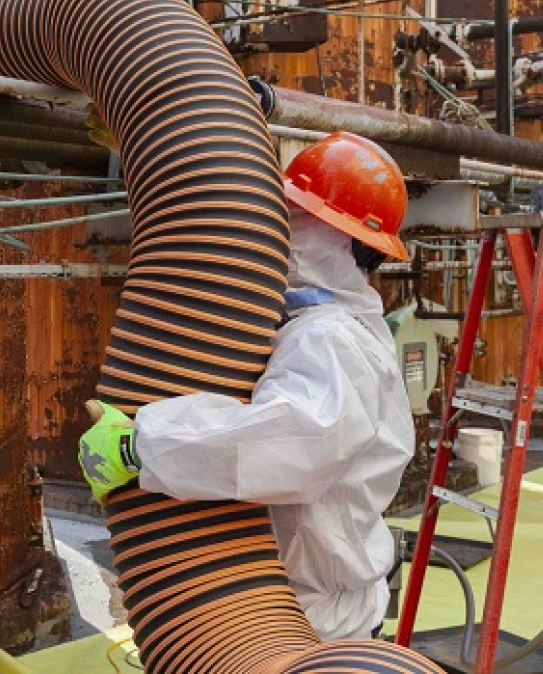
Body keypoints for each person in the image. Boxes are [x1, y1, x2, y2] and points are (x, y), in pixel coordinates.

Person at [78, 132, 416, 641]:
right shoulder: (328, 324)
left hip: (310, 622)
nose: (282, 231)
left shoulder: (328, 336)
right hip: (298, 605)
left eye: (296, 217)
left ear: (339, 239)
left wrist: (139, 445)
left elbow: (291, 444)